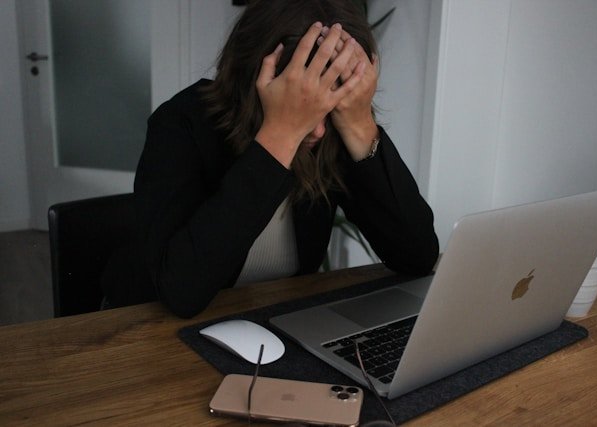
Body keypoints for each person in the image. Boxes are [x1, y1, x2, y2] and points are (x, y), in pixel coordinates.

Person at [101, 0, 439, 318]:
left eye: (331, 102)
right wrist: (280, 138)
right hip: (146, 327)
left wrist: (360, 124)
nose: (319, 131)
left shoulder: (336, 129)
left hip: (270, 320)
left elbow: (417, 256)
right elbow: (181, 291)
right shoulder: (180, 122)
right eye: (303, 102)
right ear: (254, 80)